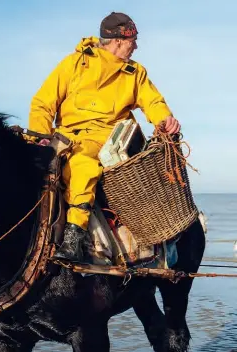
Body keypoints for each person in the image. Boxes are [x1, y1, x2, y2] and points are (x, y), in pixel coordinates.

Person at [28, 12, 181, 263]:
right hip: (65, 137)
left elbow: (153, 101)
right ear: (119, 40)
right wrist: (40, 137)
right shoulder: (73, 63)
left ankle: (74, 237)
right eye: (133, 41)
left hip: (107, 141)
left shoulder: (135, 73)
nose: (136, 46)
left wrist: (164, 119)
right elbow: (42, 104)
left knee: (82, 165)